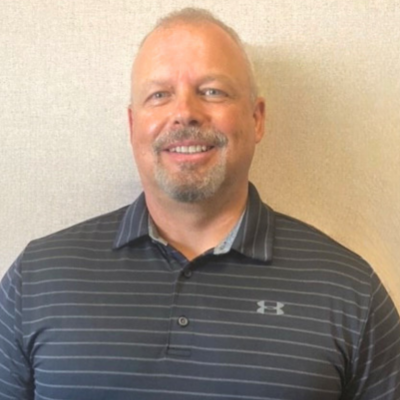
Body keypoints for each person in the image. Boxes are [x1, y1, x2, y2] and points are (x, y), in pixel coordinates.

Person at [1, 7, 399, 400]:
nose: (185, 113)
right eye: (159, 95)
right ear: (132, 124)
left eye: (212, 91)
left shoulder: (349, 291)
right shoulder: (38, 279)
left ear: (257, 118)